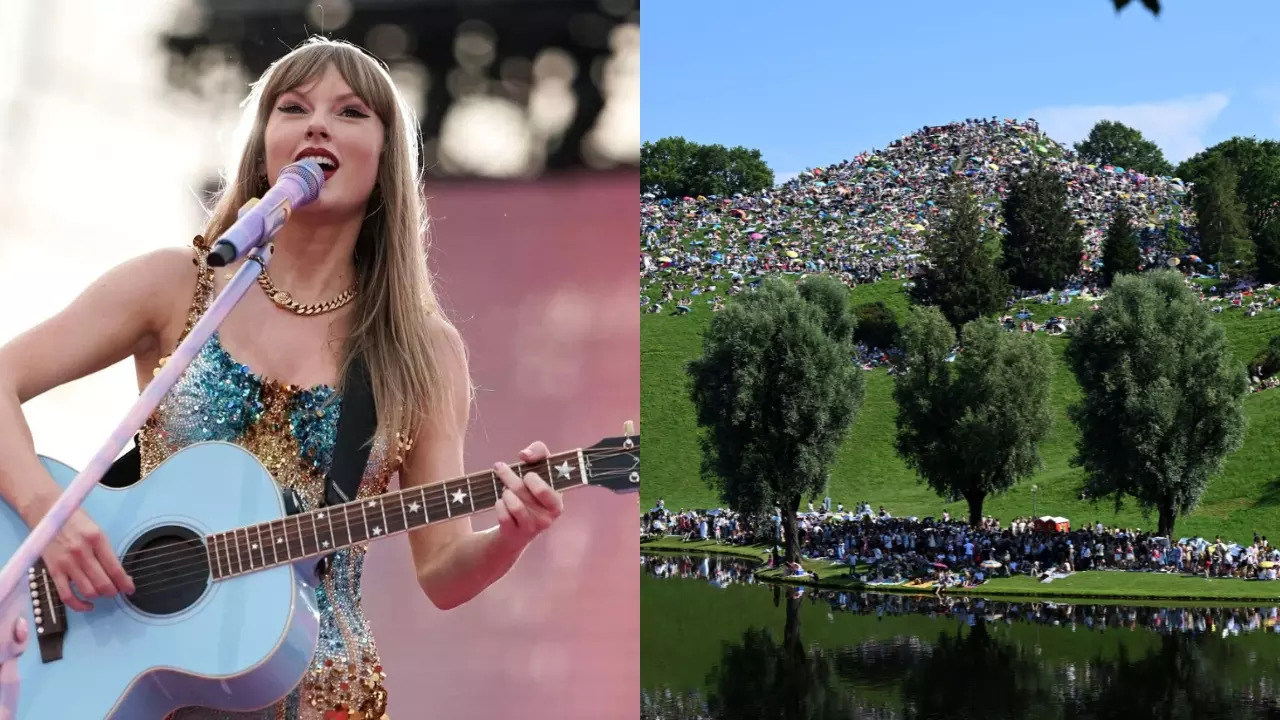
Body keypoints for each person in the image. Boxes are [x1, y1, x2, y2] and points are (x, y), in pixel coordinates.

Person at [0, 37, 563, 719]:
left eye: (351, 112)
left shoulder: (419, 350)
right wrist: (47, 516)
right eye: (293, 108)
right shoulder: (178, 287)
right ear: (265, 146)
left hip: (321, 688)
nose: (317, 123)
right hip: (139, 677)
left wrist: (511, 536)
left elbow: (442, 571)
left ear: (385, 161)